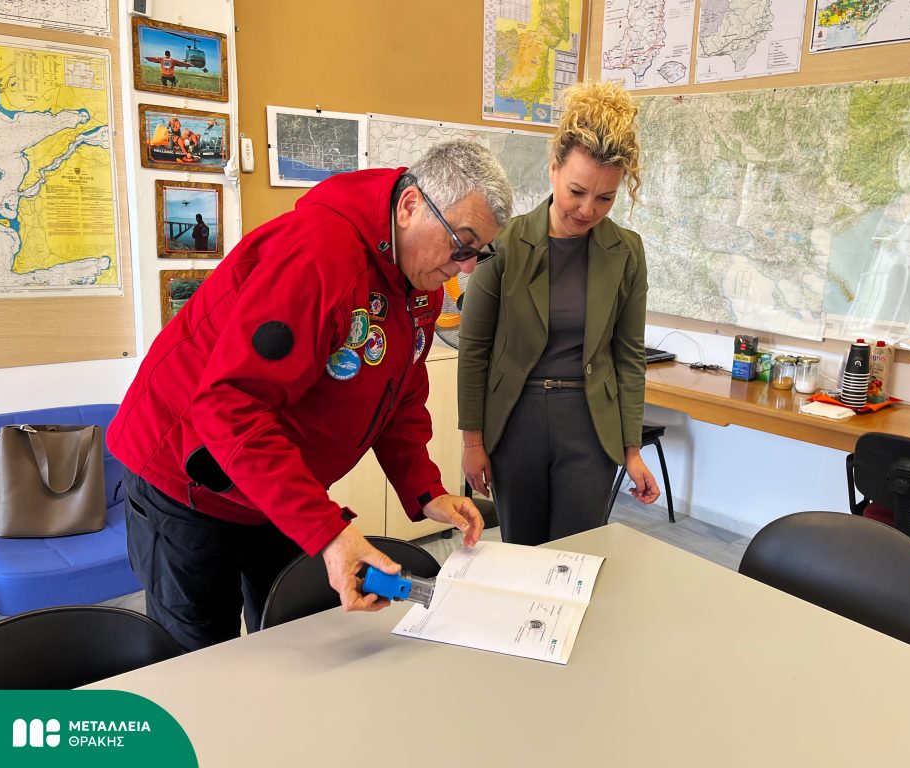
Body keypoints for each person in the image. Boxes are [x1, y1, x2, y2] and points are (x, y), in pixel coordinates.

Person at [108, 140, 513, 651]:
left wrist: (426, 490)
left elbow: (400, 395)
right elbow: (231, 407)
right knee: (201, 655)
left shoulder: (419, 281)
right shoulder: (318, 256)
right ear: (410, 206)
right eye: (462, 244)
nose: (467, 267)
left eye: (478, 252)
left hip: (271, 477)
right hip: (186, 475)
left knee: (292, 637)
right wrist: (328, 531)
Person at [458, 80, 660, 546]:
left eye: (606, 198)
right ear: (553, 170)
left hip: (590, 425)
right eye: (577, 191)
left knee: (578, 554)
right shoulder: (503, 243)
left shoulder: (626, 251)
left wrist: (632, 449)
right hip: (516, 420)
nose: (588, 210)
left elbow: (629, 358)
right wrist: (473, 442)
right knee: (522, 552)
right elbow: (474, 351)